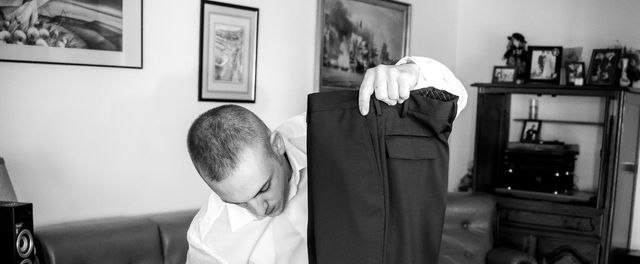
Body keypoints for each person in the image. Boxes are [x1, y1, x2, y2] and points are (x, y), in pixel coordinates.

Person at [186, 56, 468, 264]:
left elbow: (455, 102)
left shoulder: (329, 135)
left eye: (263, 189)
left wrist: (412, 73)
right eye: (236, 202)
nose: (259, 210)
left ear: (276, 144)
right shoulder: (207, 241)